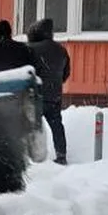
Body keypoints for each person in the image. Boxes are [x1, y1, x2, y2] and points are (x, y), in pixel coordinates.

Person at [27, 18, 71, 165]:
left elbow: (26, 72)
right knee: (57, 125)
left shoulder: (31, 48)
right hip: (54, 95)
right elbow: (66, 73)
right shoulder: (61, 50)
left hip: (36, 95)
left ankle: (32, 157)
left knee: (31, 126)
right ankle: (61, 155)